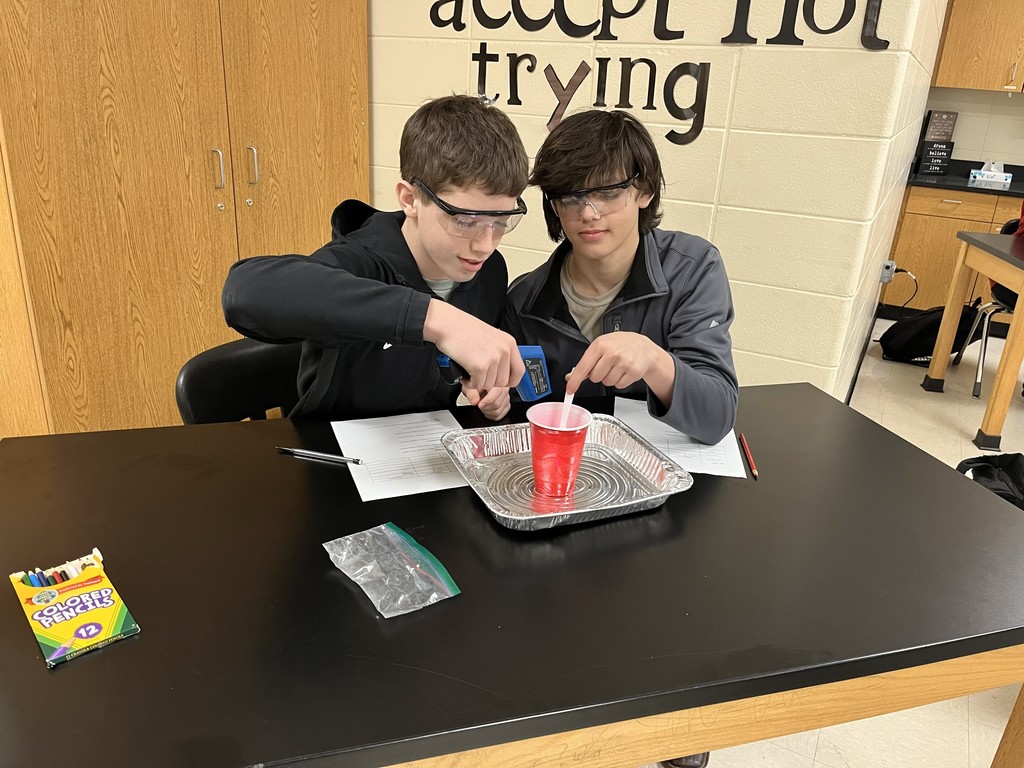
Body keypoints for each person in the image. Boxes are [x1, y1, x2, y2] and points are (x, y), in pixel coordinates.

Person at [222, 95, 528, 422]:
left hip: (426, 448)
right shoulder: (360, 263)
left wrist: (487, 389)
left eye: (499, 222)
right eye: (465, 221)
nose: (485, 245)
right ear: (410, 199)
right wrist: (436, 319)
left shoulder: (488, 271)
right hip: (334, 452)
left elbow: (458, 367)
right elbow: (245, 292)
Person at [502, 109, 738, 448]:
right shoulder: (523, 303)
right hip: (570, 482)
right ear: (553, 205)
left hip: (664, 481)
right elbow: (515, 422)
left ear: (644, 192)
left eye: (608, 192)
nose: (588, 213)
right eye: (570, 196)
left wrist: (654, 360)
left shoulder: (692, 271)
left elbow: (717, 417)